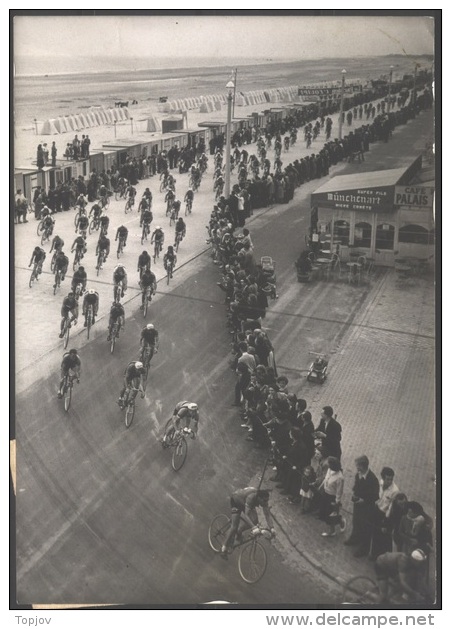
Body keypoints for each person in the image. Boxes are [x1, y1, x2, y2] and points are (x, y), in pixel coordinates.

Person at [220, 487, 276, 558]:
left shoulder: (262, 500)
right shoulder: (251, 498)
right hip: (236, 500)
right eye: (264, 500)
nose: (266, 503)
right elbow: (246, 515)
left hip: (245, 502)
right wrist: (254, 527)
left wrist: (272, 528)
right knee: (234, 527)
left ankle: (239, 532)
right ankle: (223, 548)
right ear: (259, 498)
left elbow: (267, 515)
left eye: (267, 500)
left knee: (255, 520)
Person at [344, 455, 380, 557]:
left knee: (365, 527)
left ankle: (364, 549)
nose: (356, 468)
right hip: (358, 505)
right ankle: (354, 539)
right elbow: (356, 486)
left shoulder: (373, 479)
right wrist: (355, 494)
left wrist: (363, 500)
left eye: (358, 466)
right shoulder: (358, 475)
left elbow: (376, 496)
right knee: (356, 522)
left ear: (363, 466)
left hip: (367, 508)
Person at [319, 457, 346, 537]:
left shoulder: (340, 477)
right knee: (325, 512)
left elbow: (339, 491)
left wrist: (337, 502)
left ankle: (333, 531)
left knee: (330, 514)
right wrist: (321, 487)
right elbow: (326, 479)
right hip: (325, 493)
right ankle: (339, 521)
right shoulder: (329, 470)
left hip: (332, 497)